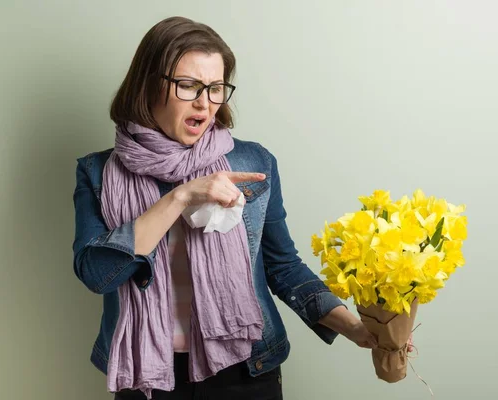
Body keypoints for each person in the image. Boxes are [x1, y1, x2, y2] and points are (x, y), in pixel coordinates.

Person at [72, 16, 377, 400]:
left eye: (216, 88)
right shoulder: (98, 172)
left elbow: (283, 268)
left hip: (247, 368)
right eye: (188, 85)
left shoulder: (253, 162)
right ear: (148, 84)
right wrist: (179, 197)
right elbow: (97, 273)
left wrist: (354, 328)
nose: (205, 102)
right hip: (147, 376)